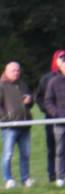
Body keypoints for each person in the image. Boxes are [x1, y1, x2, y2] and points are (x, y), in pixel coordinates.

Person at [0, 61, 35, 189]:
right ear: (6, 72)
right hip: (9, 128)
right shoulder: (0, 87)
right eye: (13, 71)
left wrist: (30, 100)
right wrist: (6, 119)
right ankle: (8, 179)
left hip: (25, 126)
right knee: (8, 154)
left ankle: (25, 179)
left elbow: (30, 104)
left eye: (18, 70)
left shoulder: (23, 86)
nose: (16, 73)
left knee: (26, 153)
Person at [34, 51, 65, 184]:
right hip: (54, 119)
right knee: (55, 148)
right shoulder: (49, 79)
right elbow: (43, 99)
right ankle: (55, 176)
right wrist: (53, 113)